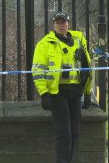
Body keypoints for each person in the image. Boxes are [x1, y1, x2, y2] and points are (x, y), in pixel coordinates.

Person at [32, 11, 92, 163]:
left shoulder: (79, 39)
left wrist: (87, 92)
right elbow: (37, 70)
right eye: (58, 22)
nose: (61, 25)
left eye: (63, 22)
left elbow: (86, 66)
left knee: (75, 133)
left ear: (68, 23)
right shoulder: (45, 44)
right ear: (53, 25)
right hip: (57, 92)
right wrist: (44, 93)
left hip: (76, 91)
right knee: (63, 132)